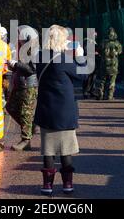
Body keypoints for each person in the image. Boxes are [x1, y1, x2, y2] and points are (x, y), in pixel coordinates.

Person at [35, 25, 87, 196]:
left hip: (46, 109)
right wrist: (80, 56)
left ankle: (47, 185)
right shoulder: (63, 59)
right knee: (66, 149)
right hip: (64, 110)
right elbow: (83, 75)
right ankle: (67, 184)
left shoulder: (40, 57)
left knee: (48, 150)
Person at [6, 25, 39, 151]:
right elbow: (20, 66)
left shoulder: (34, 50)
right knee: (10, 107)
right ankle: (30, 128)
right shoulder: (21, 48)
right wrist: (12, 65)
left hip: (29, 85)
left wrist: (16, 64)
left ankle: (26, 139)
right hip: (19, 83)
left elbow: (32, 69)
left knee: (26, 113)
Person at [96, 27, 122, 100]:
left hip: (104, 64)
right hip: (113, 65)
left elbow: (99, 51)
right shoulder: (117, 44)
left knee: (102, 80)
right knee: (112, 81)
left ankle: (100, 95)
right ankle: (109, 96)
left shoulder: (103, 42)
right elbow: (119, 52)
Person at [82, 31, 99, 99]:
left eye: (96, 35)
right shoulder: (87, 41)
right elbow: (85, 51)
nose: (95, 37)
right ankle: (85, 92)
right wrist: (93, 53)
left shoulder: (93, 42)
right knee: (88, 77)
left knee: (93, 77)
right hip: (88, 61)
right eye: (94, 35)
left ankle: (91, 91)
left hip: (93, 61)